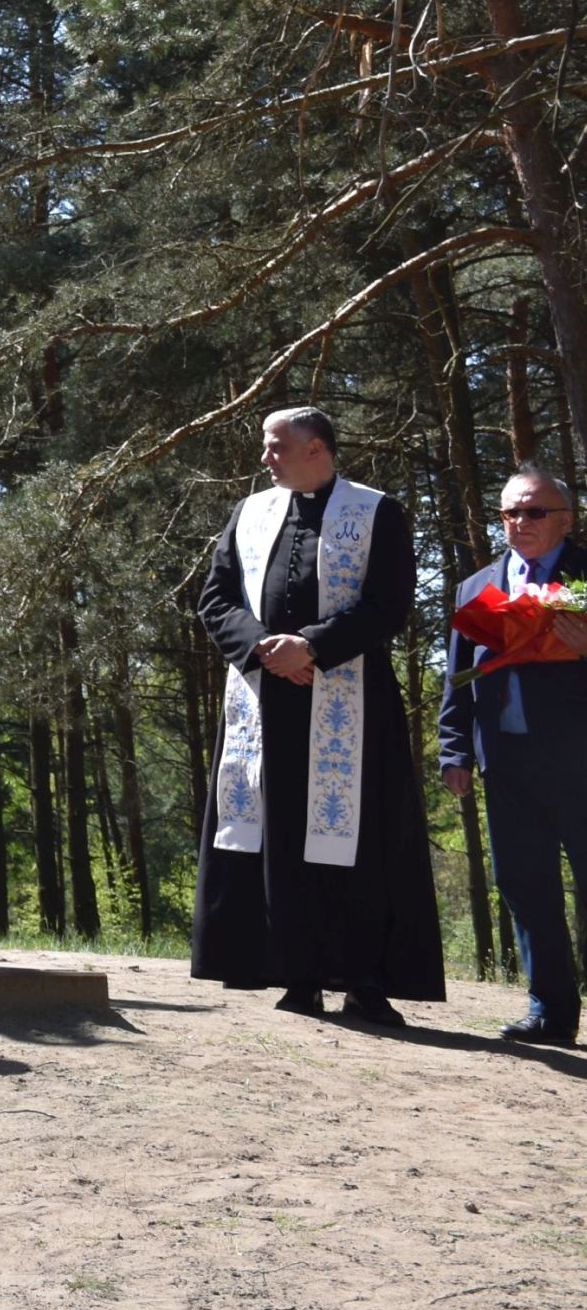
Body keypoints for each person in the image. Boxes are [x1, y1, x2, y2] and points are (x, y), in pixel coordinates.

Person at [195, 406, 442, 1023]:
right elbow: (215, 598)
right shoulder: (250, 513)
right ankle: (295, 976)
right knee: (278, 839)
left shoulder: (376, 510)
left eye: (276, 446)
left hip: (352, 701)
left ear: (317, 449)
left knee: (359, 845)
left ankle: (363, 981)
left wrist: (310, 646)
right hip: (266, 702)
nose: (265, 458)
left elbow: (388, 604)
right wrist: (263, 647)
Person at [441, 465, 587, 1045]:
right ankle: (550, 1012)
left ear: (566, 520)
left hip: (580, 761)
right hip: (507, 761)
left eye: (534, 512)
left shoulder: (585, 577)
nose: (519, 522)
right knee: (525, 884)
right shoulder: (478, 587)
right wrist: (455, 751)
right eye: (509, 512)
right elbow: (459, 676)